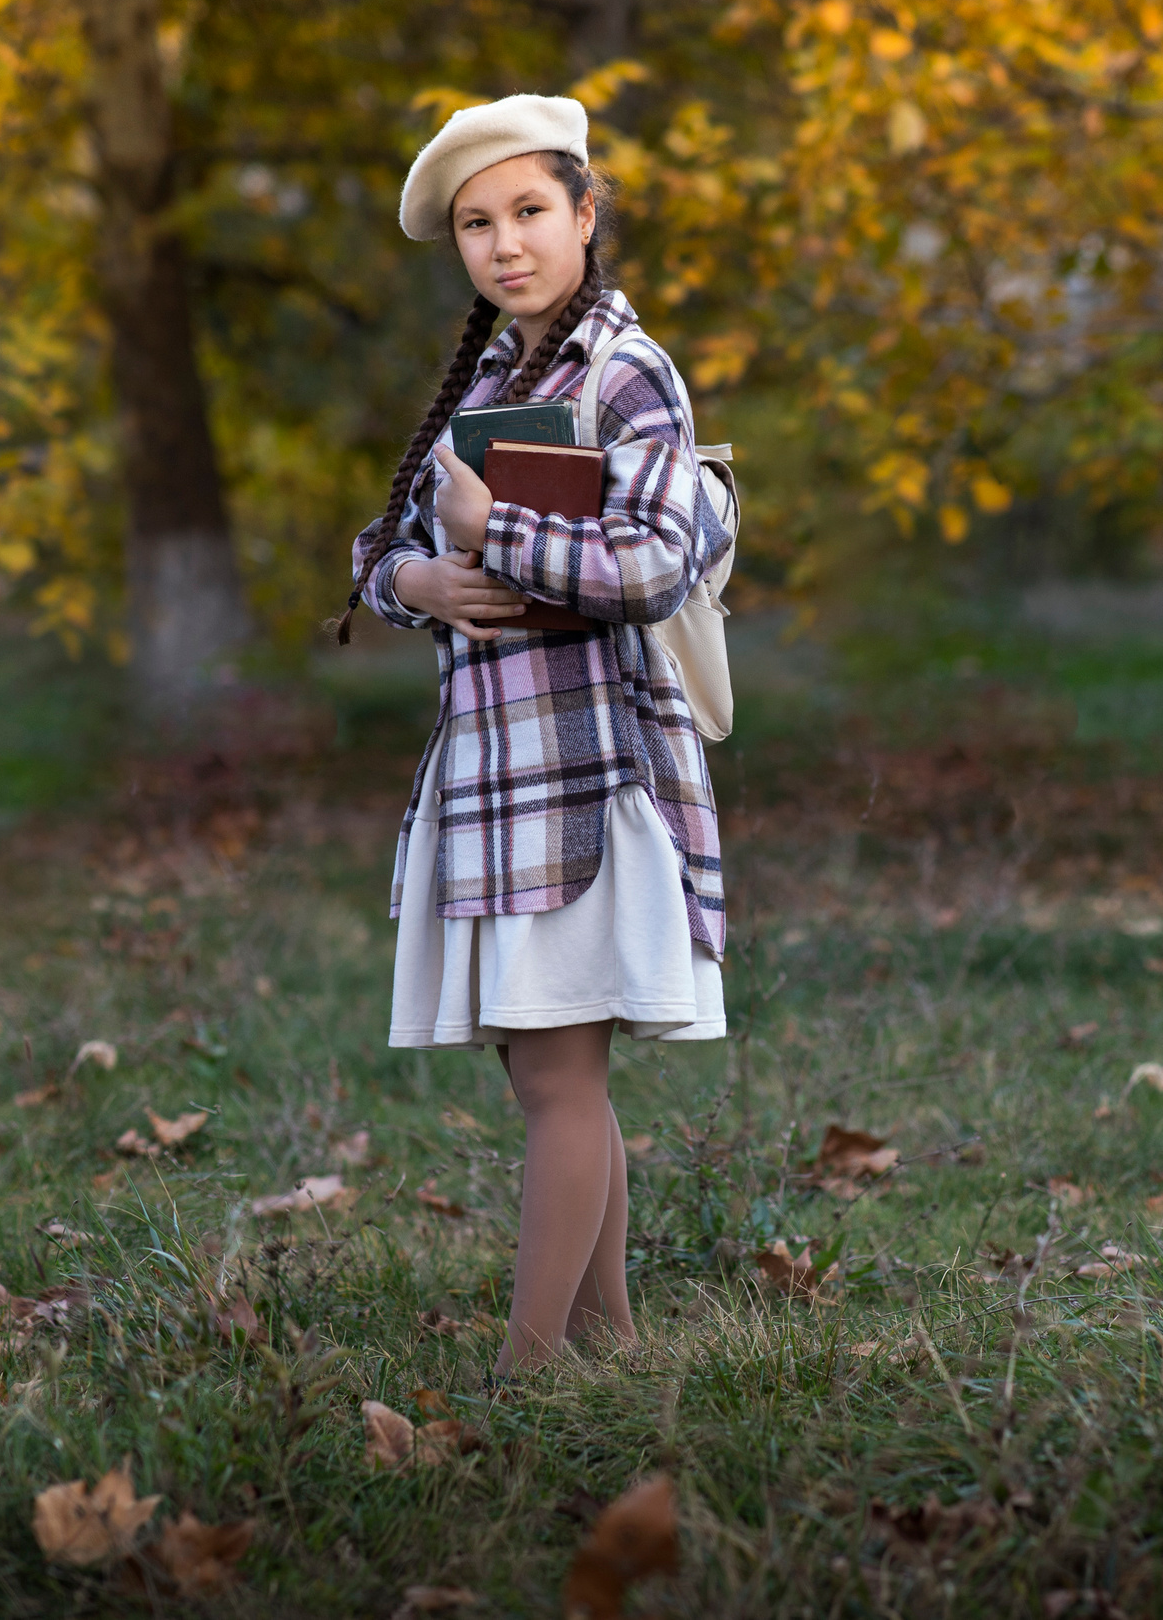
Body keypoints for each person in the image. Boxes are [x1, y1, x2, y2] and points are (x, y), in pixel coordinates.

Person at [341, 94, 731, 1377]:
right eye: (475, 224)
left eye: (528, 212)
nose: (505, 244)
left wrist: (491, 536)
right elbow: (381, 545)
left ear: (584, 213)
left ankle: (525, 1368)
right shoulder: (494, 378)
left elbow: (658, 566)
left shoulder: (628, 372)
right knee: (550, 1075)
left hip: (589, 767)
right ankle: (607, 1340)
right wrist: (419, 584)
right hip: (492, 767)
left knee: (561, 1082)